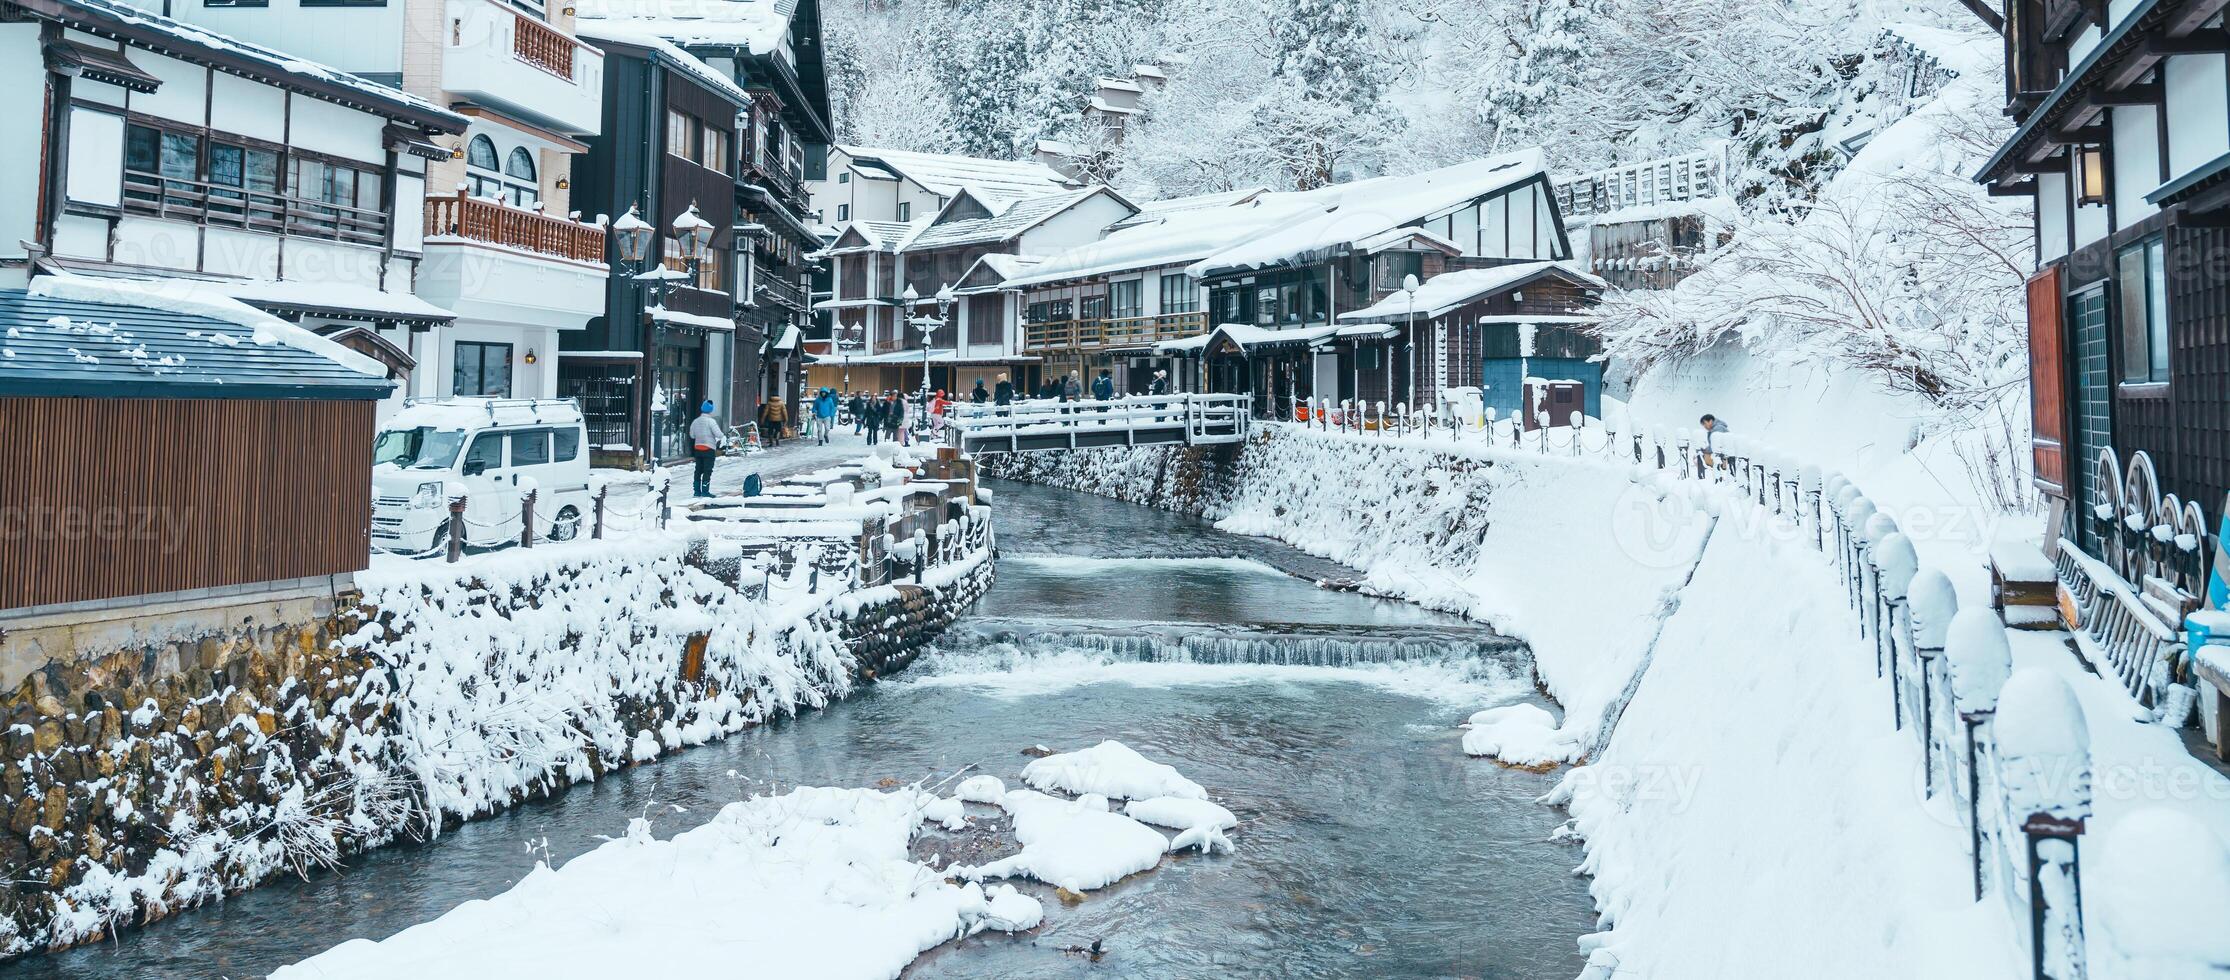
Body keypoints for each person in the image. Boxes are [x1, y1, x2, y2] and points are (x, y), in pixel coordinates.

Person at [688, 400, 726, 498]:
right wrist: (722, 437)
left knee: (698, 470)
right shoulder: (711, 421)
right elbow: (719, 434)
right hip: (709, 449)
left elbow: (692, 435)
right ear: (710, 410)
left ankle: (696, 491)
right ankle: (705, 491)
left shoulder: (695, 421)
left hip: (698, 448)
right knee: (707, 470)